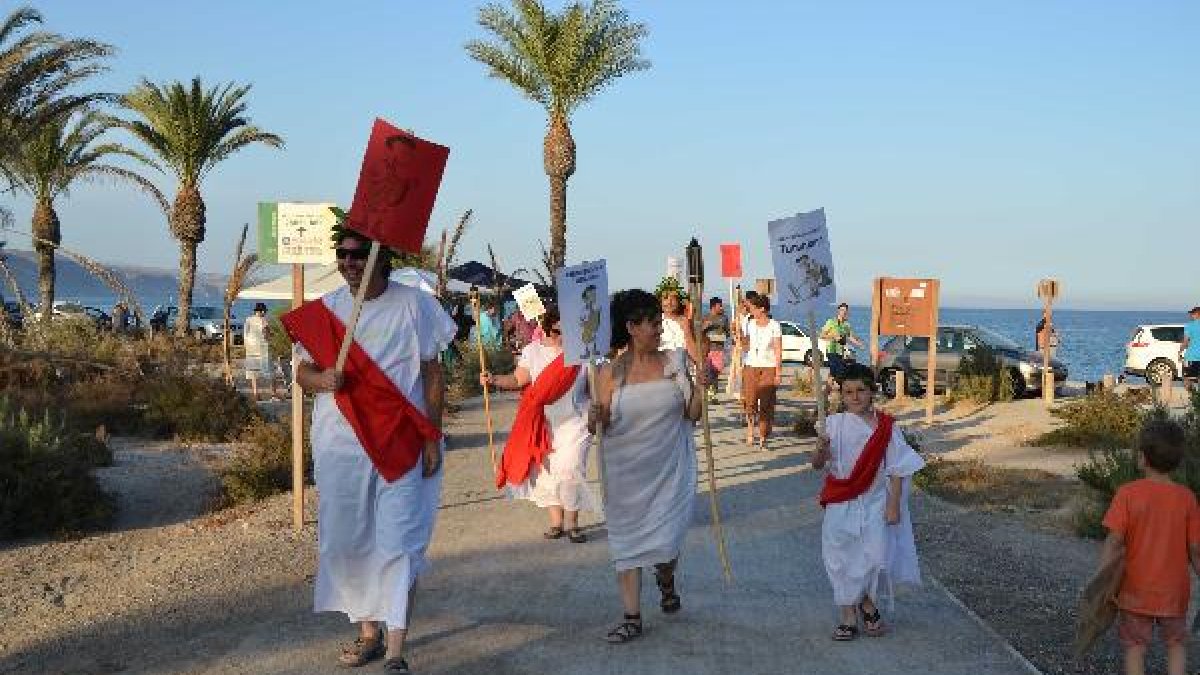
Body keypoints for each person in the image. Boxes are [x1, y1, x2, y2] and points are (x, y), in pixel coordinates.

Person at [291, 229, 455, 674]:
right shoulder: (325, 311)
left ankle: (397, 647)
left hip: (399, 440)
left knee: (399, 541)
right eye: (342, 254)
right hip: (339, 445)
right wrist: (322, 380)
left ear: (381, 257)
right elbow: (302, 370)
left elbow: (432, 372)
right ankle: (369, 632)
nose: (348, 262)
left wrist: (431, 436)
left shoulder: (415, 304)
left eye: (358, 254)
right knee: (350, 540)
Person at [588, 288, 702, 644]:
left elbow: (692, 414)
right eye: (652, 322)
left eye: (658, 321)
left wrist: (701, 388)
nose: (658, 328)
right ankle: (631, 617)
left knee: (666, 543)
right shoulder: (607, 372)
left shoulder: (675, 361)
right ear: (631, 327)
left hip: (668, 468)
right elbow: (599, 424)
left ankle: (665, 577)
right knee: (626, 544)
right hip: (625, 473)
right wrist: (596, 416)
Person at [812, 363, 924, 642]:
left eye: (861, 390)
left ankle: (866, 602)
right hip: (841, 498)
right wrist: (820, 450)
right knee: (838, 556)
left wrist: (894, 505)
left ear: (872, 391)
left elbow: (897, 468)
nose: (855, 396)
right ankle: (850, 613)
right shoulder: (832, 425)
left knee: (872, 556)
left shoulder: (886, 428)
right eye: (848, 391)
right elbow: (817, 465)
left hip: (875, 500)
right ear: (841, 394)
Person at [483, 306, 601, 543]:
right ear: (547, 327)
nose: (563, 335)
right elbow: (518, 379)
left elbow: (594, 388)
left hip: (575, 421)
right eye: (558, 330)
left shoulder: (583, 353)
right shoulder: (532, 351)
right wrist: (494, 379)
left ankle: (573, 524)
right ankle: (557, 523)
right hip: (543, 421)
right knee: (547, 471)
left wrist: (599, 405)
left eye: (568, 329)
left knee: (570, 469)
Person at [1096, 419, 1199, 675]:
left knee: (1135, 647)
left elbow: (1114, 541)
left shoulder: (1128, 494)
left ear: (1142, 458)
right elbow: (1196, 548)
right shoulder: (1187, 499)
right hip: (1174, 593)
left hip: (1135, 591)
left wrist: (1103, 582)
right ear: (1177, 461)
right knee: (1176, 645)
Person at [741, 294, 782, 450]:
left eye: (753, 308)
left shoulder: (774, 325)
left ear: (762, 309)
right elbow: (743, 343)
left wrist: (778, 372)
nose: (751, 311)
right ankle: (751, 429)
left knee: (766, 403)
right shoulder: (748, 323)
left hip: (769, 367)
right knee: (750, 401)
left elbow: (778, 349)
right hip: (750, 365)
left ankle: (763, 436)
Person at [243, 302, 279, 400]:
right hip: (262, 349)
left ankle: (256, 395)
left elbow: (245, 334)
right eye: (265, 312)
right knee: (271, 372)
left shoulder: (248, 320)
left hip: (251, 350)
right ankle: (273, 394)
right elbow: (266, 333)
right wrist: (272, 335)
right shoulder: (263, 320)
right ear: (262, 311)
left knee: (253, 373)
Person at [820, 303, 863, 381]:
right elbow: (822, 335)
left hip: (840, 352)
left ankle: (827, 390)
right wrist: (833, 337)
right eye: (842, 310)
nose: (843, 312)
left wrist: (859, 344)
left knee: (834, 373)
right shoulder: (831, 322)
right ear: (838, 311)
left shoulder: (846, 324)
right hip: (831, 350)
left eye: (845, 311)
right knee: (838, 372)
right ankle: (833, 389)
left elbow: (850, 337)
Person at [700, 297, 730, 403]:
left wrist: (725, 334)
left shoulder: (724, 318)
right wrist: (705, 326)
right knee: (708, 371)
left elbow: (728, 333)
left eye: (721, 305)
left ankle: (712, 392)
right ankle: (711, 395)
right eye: (719, 305)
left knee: (716, 372)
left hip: (719, 349)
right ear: (713, 306)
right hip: (707, 349)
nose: (721, 307)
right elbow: (699, 332)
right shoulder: (705, 317)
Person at [1180, 306, 1200, 393]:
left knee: (1186, 379)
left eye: (1192, 314)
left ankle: (1193, 396)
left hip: (1191, 357)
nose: (1190, 315)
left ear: (1197, 314)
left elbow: (1185, 342)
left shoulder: (1190, 326)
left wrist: (1180, 351)